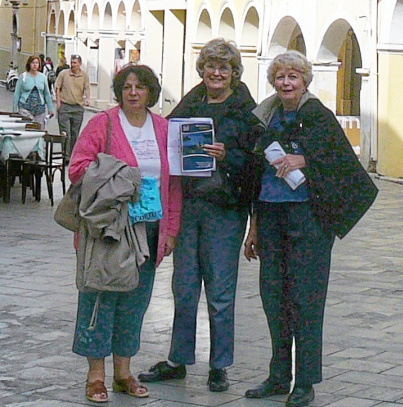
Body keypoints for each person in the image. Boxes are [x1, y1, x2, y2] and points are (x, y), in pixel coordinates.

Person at [243, 51, 378, 407]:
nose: (286, 83)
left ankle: (305, 381)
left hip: (308, 219)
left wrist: (305, 158)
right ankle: (277, 374)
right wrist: (253, 226)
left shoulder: (318, 115)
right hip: (270, 215)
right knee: (273, 296)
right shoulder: (266, 115)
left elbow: (342, 161)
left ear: (304, 81)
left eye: (293, 77)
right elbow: (256, 173)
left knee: (305, 299)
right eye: (281, 77)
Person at [139, 38, 257, 392]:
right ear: (202, 69)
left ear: (234, 72)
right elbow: (166, 141)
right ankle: (178, 359)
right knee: (184, 288)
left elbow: (257, 165)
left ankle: (219, 364)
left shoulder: (247, 112)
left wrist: (228, 156)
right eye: (210, 66)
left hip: (225, 210)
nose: (216, 73)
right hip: (189, 207)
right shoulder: (189, 104)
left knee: (220, 291)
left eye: (224, 67)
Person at [68, 64, 182, 403]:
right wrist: (120, 176)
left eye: (141, 87)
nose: (134, 92)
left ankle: (123, 372)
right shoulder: (102, 124)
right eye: (128, 86)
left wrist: (171, 230)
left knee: (135, 303)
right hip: (110, 231)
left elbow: (173, 184)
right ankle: (95, 375)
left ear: (151, 92)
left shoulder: (162, 128)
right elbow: (77, 168)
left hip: (149, 229)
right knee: (100, 299)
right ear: (120, 92)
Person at [55, 54, 91, 158]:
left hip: (77, 108)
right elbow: (58, 88)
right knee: (66, 133)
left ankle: (72, 156)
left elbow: (87, 88)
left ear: (80, 64)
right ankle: (65, 156)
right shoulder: (64, 74)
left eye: (75, 62)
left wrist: (88, 99)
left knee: (75, 134)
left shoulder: (84, 75)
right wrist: (58, 103)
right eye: (71, 62)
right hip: (65, 106)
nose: (72, 64)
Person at [13, 55, 54, 127]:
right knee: (27, 129)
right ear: (29, 64)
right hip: (25, 108)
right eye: (33, 63)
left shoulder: (43, 77)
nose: (35, 65)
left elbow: (46, 94)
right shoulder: (23, 76)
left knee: (39, 129)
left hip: (40, 109)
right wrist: (14, 109)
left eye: (37, 63)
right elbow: (17, 93)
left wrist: (50, 109)